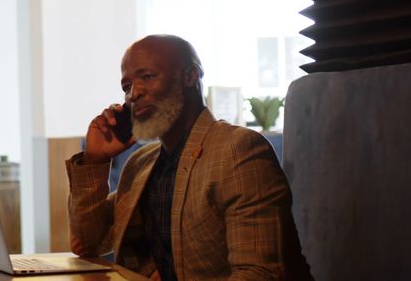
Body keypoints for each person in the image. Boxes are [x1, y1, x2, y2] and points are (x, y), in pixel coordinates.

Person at [67, 35, 312, 280]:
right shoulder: (142, 163)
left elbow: (259, 274)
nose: (133, 94)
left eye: (147, 77)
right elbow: (89, 242)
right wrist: (94, 161)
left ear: (190, 76)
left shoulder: (238, 150)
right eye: (126, 86)